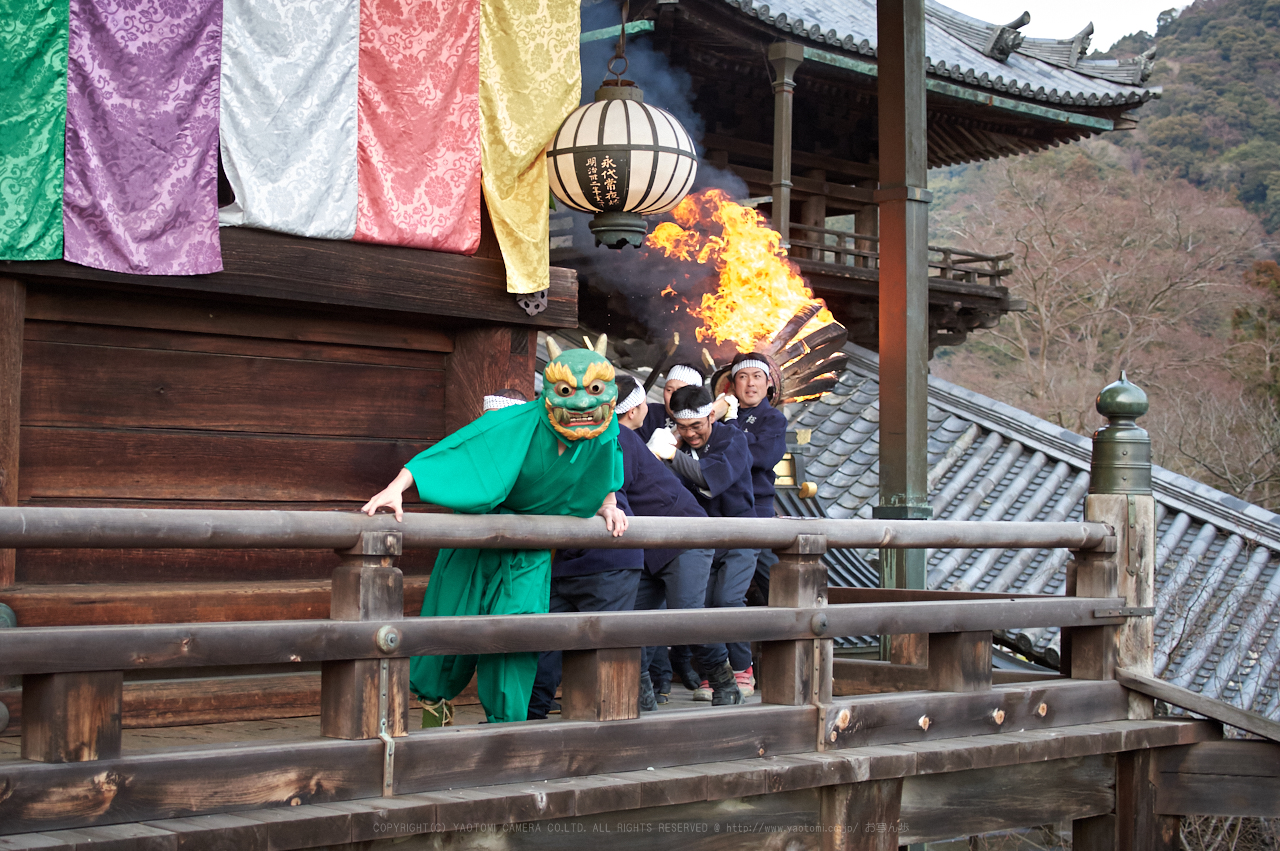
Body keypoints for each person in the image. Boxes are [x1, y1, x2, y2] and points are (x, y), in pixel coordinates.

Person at [361, 338, 627, 725]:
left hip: (531, 548)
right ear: (549, 393)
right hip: (475, 540)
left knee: (516, 637)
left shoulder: (601, 427)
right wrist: (397, 487)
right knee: (450, 630)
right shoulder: (515, 422)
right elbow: (460, 449)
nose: (582, 404)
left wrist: (608, 504)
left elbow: (604, 472)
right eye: (569, 393)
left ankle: (507, 731)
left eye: (595, 391)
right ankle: (435, 711)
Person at [612, 374, 727, 710]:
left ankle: (724, 682)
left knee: (686, 617)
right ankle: (640, 695)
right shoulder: (617, 436)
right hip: (647, 543)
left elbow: (617, 495)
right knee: (631, 620)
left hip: (683, 536)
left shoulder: (622, 437)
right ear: (635, 410)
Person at [652, 384, 755, 705]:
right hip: (700, 537)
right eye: (682, 427)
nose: (690, 433)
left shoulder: (732, 438)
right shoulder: (679, 442)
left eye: (696, 425)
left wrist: (672, 454)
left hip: (740, 533)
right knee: (703, 605)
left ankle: (743, 668)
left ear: (712, 415)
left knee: (727, 599)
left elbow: (710, 478)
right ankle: (714, 672)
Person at [723, 353, 788, 695]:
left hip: (757, 509)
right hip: (721, 510)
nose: (750, 383)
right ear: (732, 384)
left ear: (768, 384)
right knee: (722, 590)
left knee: (776, 586)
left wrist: (730, 435)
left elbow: (764, 458)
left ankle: (785, 664)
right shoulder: (720, 415)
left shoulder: (772, 418)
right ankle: (728, 667)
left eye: (757, 377)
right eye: (743, 377)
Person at [637, 363, 703, 442]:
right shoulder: (650, 413)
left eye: (681, 391)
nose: (674, 397)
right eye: (669, 390)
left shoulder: (704, 428)